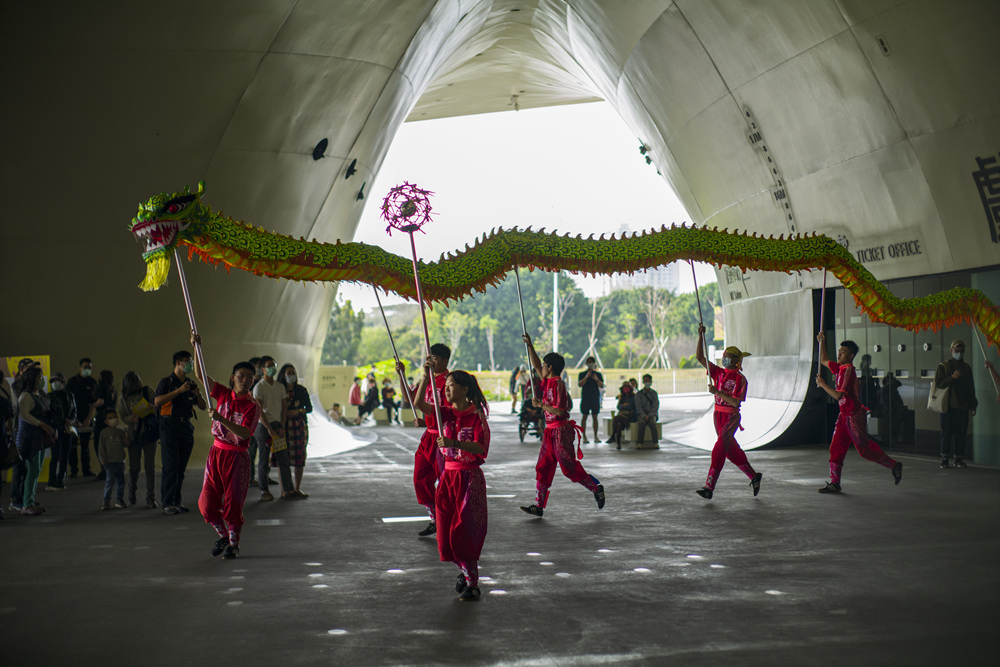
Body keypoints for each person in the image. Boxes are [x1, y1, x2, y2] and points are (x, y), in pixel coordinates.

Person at [414, 367, 490, 601]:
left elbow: (481, 448)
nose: (446, 390)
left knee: (464, 532)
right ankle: (465, 572)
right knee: (445, 535)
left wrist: (453, 442)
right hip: (447, 479)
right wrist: (426, 375)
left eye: (451, 386)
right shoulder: (443, 413)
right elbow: (418, 403)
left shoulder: (476, 415)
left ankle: (473, 584)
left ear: (465, 389)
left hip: (469, 480)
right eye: (445, 386)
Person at [519, 333, 605, 518]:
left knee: (569, 468)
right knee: (543, 467)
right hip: (550, 432)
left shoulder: (558, 384)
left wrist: (541, 405)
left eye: (544, 365)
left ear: (550, 368)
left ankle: (596, 487)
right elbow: (535, 363)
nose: (540, 367)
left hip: (560, 432)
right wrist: (530, 345)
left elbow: (559, 411)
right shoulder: (547, 380)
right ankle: (539, 505)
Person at [191, 333, 261, 560]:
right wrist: (196, 347)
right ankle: (223, 535)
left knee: (233, 505)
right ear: (233, 378)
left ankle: (234, 544)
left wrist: (221, 420)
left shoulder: (252, 405)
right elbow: (200, 374)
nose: (245, 380)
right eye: (241, 376)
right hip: (217, 454)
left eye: (250, 377)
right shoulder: (222, 393)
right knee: (207, 505)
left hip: (237, 458)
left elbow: (245, 433)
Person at [815, 333, 902, 493]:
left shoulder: (848, 371)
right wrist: (822, 342)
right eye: (839, 350)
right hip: (843, 416)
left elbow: (838, 395)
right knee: (836, 448)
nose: (839, 353)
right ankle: (835, 482)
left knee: (864, 449)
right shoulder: (839, 368)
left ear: (851, 356)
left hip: (854, 416)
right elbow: (823, 360)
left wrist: (823, 384)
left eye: (843, 351)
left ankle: (894, 465)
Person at [694, 325, 763, 499]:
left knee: (718, 449)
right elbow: (699, 357)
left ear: (735, 360)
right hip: (718, 415)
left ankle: (709, 487)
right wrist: (700, 336)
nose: (724, 358)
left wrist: (717, 392)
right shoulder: (717, 372)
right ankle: (754, 476)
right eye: (723, 355)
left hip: (731, 416)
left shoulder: (740, 379)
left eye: (727, 356)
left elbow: (735, 402)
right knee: (730, 451)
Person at [400, 343, 451, 537]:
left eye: (435, 359)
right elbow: (410, 398)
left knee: (445, 481)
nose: (430, 362)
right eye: (429, 358)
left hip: (443, 437)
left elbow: (449, 411)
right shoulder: (427, 379)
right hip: (427, 437)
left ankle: (447, 519)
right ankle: (434, 519)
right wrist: (401, 375)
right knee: (420, 479)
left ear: (444, 361)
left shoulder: (449, 381)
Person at [155, 350, 207, 514]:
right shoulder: (167, 382)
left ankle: (177, 501)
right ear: (178, 363)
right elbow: (157, 401)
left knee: (180, 467)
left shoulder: (191, 383)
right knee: (170, 466)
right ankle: (167, 502)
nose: (190, 364)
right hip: (169, 426)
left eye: (191, 361)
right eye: (187, 361)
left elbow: (203, 406)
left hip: (185, 426)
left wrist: (197, 394)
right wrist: (179, 391)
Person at [14, 365, 54, 516]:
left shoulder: (38, 395)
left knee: (36, 469)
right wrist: (41, 424)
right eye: (39, 377)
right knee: (32, 469)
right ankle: (26, 504)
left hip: (40, 437)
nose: (42, 379)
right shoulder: (26, 396)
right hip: (29, 437)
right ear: (33, 379)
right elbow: (23, 414)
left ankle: (30, 501)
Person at [117, 371, 159, 507]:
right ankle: (132, 491)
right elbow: (122, 416)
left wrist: (152, 408)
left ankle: (150, 497)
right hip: (134, 435)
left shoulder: (148, 391)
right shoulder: (123, 399)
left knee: (150, 467)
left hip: (149, 433)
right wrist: (131, 419)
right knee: (134, 467)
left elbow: (158, 405)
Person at [934, 339, 978, 468]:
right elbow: (939, 383)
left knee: (961, 433)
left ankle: (959, 458)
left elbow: (971, 387)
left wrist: (973, 405)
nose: (959, 353)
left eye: (961, 350)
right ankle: (945, 458)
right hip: (948, 406)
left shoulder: (966, 367)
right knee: (946, 432)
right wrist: (952, 378)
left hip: (963, 406)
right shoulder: (944, 366)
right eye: (957, 350)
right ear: (951, 351)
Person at [252, 355, 288, 501]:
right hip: (263, 427)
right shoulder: (259, 387)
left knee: (283, 459)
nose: (272, 368)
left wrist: (281, 426)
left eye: (274, 365)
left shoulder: (279, 386)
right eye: (269, 366)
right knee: (263, 459)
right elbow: (258, 410)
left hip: (277, 426)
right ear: (262, 369)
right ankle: (264, 490)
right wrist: (269, 429)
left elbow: (284, 407)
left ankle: (287, 489)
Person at [278, 363, 312, 498]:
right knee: (283, 458)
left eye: (293, 372)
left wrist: (297, 410)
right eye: (288, 373)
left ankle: (297, 488)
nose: (291, 375)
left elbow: (309, 408)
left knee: (300, 456)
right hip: (283, 427)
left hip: (299, 427)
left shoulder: (301, 390)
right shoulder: (279, 390)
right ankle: (285, 489)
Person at [66, 357, 99, 477]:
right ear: (80, 367)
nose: (87, 370)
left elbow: (93, 403)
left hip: (86, 419)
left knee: (85, 446)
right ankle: (73, 471)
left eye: (89, 368)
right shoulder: (72, 382)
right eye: (85, 367)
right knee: (72, 446)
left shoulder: (92, 383)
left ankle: (86, 470)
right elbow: (67, 402)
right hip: (73, 419)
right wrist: (73, 419)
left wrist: (88, 419)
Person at [45, 372, 76, 490]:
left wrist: (71, 420)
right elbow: (49, 414)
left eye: (57, 381)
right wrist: (63, 420)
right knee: (56, 454)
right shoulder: (48, 397)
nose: (55, 383)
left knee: (65, 454)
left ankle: (60, 479)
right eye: (52, 381)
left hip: (67, 429)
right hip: (55, 429)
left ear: (63, 382)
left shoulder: (70, 395)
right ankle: (51, 481)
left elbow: (74, 410)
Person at [98, 410, 128, 510]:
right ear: (106, 421)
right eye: (110, 418)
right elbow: (101, 447)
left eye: (114, 417)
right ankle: (106, 500)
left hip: (120, 460)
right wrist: (102, 459)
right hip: (109, 461)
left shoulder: (121, 431)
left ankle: (119, 499)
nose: (113, 419)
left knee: (121, 480)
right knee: (110, 480)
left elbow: (126, 444)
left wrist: (126, 441)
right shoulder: (104, 433)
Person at [577, 357, 604, 444]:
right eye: (588, 362)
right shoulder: (582, 374)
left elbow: (601, 385)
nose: (590, 363)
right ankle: (584, 436)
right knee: (584, 417)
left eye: (592, 362)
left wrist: (596, 379)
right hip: (585, 398)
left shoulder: (598, 374)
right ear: (586, 363)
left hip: (595, 398)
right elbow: (580, 384)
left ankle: (596, 436)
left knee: (595, 417)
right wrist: (586, 377)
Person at [247, 356, 263, 487]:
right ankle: (250, 477)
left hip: (261, 422)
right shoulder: (249, 383)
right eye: (258, 367)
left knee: (264, 452)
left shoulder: (263, 383)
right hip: (251, 422)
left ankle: (264, 476)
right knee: (251, 452)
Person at [608, 381, 636, 450]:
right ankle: (618, 443)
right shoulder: (622, 397)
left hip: (629, 416)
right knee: (618, 424)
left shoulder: (633, 397)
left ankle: (613, 436)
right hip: (622, 416)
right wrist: (624, 405)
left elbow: (631, 407)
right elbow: (618, 407)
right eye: (624, 386)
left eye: (627, 386)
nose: (626, 388)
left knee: (616, 418)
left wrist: (624, 406)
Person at [634, 373, 660, 448]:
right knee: (641, 423)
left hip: (652, 414)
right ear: (643, 382)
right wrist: (644, 415)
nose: (647, 383)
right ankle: (639, 443)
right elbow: (638, 406)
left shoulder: (654, 394)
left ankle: (655, 443)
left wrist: (650, 415)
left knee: (652, 423)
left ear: (651, 382)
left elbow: (656, 405)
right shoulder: (639, 394)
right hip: (642, 414)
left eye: (648, 381)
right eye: (646, 381)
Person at [878, 372, 905, 442]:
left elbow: (899, 384)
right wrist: (890, 409)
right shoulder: (885, 390)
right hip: (889, 410)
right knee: (891, 424)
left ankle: (894, 437)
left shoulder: (893, 389)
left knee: (897, 423)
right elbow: (885, 402)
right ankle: (890, 438)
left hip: (895, 410)